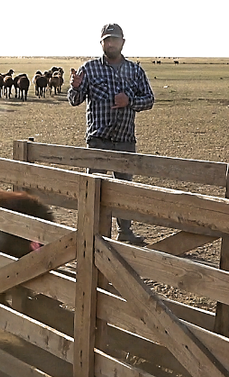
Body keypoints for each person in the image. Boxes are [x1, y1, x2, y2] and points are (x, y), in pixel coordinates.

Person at [68, 23, 155, 246]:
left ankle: (124, 232)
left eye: (115, 39)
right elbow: (74, 100)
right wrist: (76, 87)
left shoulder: (135, 70)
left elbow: (149, 100)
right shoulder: (89, 68)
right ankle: (90, 232)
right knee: (93, 187)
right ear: (101, 43)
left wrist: (130, 101)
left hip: (125, 139)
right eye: (107, 40)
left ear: (122, 42)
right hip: (99, 139)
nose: (111, 43)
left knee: (124, 189)